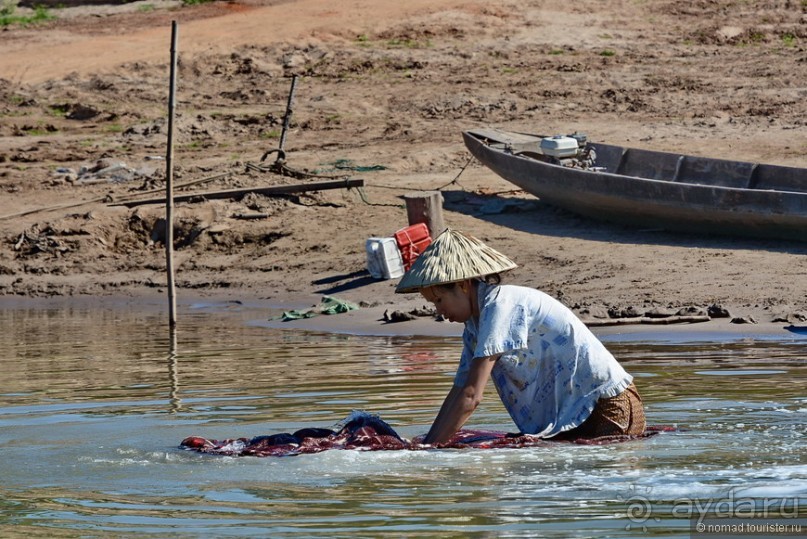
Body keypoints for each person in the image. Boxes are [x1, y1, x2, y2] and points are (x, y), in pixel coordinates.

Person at [395, 228, 645, 445]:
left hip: (608, 407)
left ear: (462, 285)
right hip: (574, 416)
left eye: (439, 300)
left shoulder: (501, 305)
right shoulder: (474, 326)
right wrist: (427, 444)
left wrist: (429, 450)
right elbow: (459, 390)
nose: (438, 310)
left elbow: (471, 396)